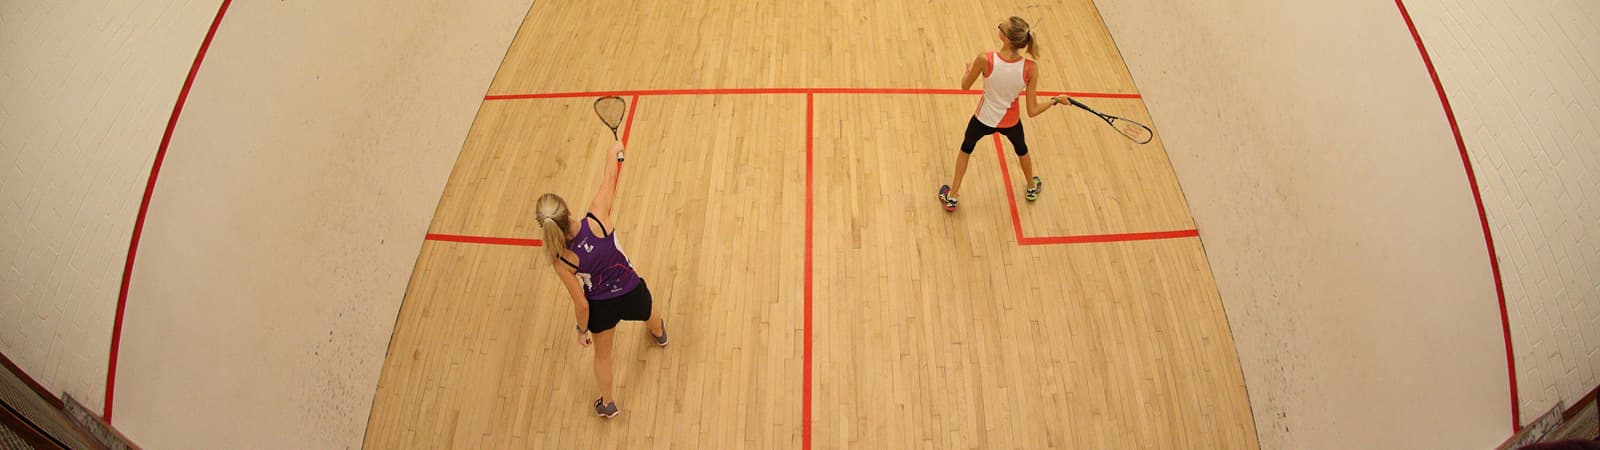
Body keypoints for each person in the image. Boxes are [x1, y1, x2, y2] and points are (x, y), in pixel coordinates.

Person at [534, 140, 666, 418]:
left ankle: (608, 403)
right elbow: (609, 177)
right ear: (567, 208)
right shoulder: (597, 214)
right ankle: (660, 335)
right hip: (631, 289)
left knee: (603, 356)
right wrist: (614, 150)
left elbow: (581, 305)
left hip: (602, 307)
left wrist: (582, 332)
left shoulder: (561, 259)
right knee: (650, 312)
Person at [939, 16, 1072, 211]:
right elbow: (1032, 111)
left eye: (1001, 27)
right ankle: (1032, 187)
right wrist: (1055, 100)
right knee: (1022, 149)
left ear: (1007, 39)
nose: (999, 27)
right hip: (1011, 122)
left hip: (983, 118)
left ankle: (952, 197)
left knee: (966, 149)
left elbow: (964, 86)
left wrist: (968, 71)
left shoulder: (985, 59)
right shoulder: (1030, 68)